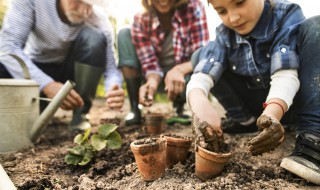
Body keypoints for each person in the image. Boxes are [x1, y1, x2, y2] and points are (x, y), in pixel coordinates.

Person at [187, 0, 320, 185]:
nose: (233, 18)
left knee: (316, 26)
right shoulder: (224, 35)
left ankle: (313, 138)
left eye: (239, 3)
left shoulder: (285, 14)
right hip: (260, 109)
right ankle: (245, 121)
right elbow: (201, 77)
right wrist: (200, 103)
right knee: (200, 56)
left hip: (294, 103)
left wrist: (272, 113)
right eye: (221, 11)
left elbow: (285, 75)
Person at [0, 0, 125, 131]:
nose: (84, 11)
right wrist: (47, 85)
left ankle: (80, 114)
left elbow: (111, 69)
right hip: (36, 70)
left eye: (90, 4)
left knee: (94, 38)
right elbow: (7, 46)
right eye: (78, 1)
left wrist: (113, 87)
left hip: (71, 76)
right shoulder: (32, 2)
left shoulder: (99, 20)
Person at [117, 0, 209, 126]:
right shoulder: (140, 19)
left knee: (204, 66)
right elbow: (149, 63)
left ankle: (180, 106)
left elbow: (202, 55)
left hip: (185, 78)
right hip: (157, 78)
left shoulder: (194, 7)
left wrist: (179, 70)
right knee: (124, 33)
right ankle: (135, 106)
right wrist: (152, 82)